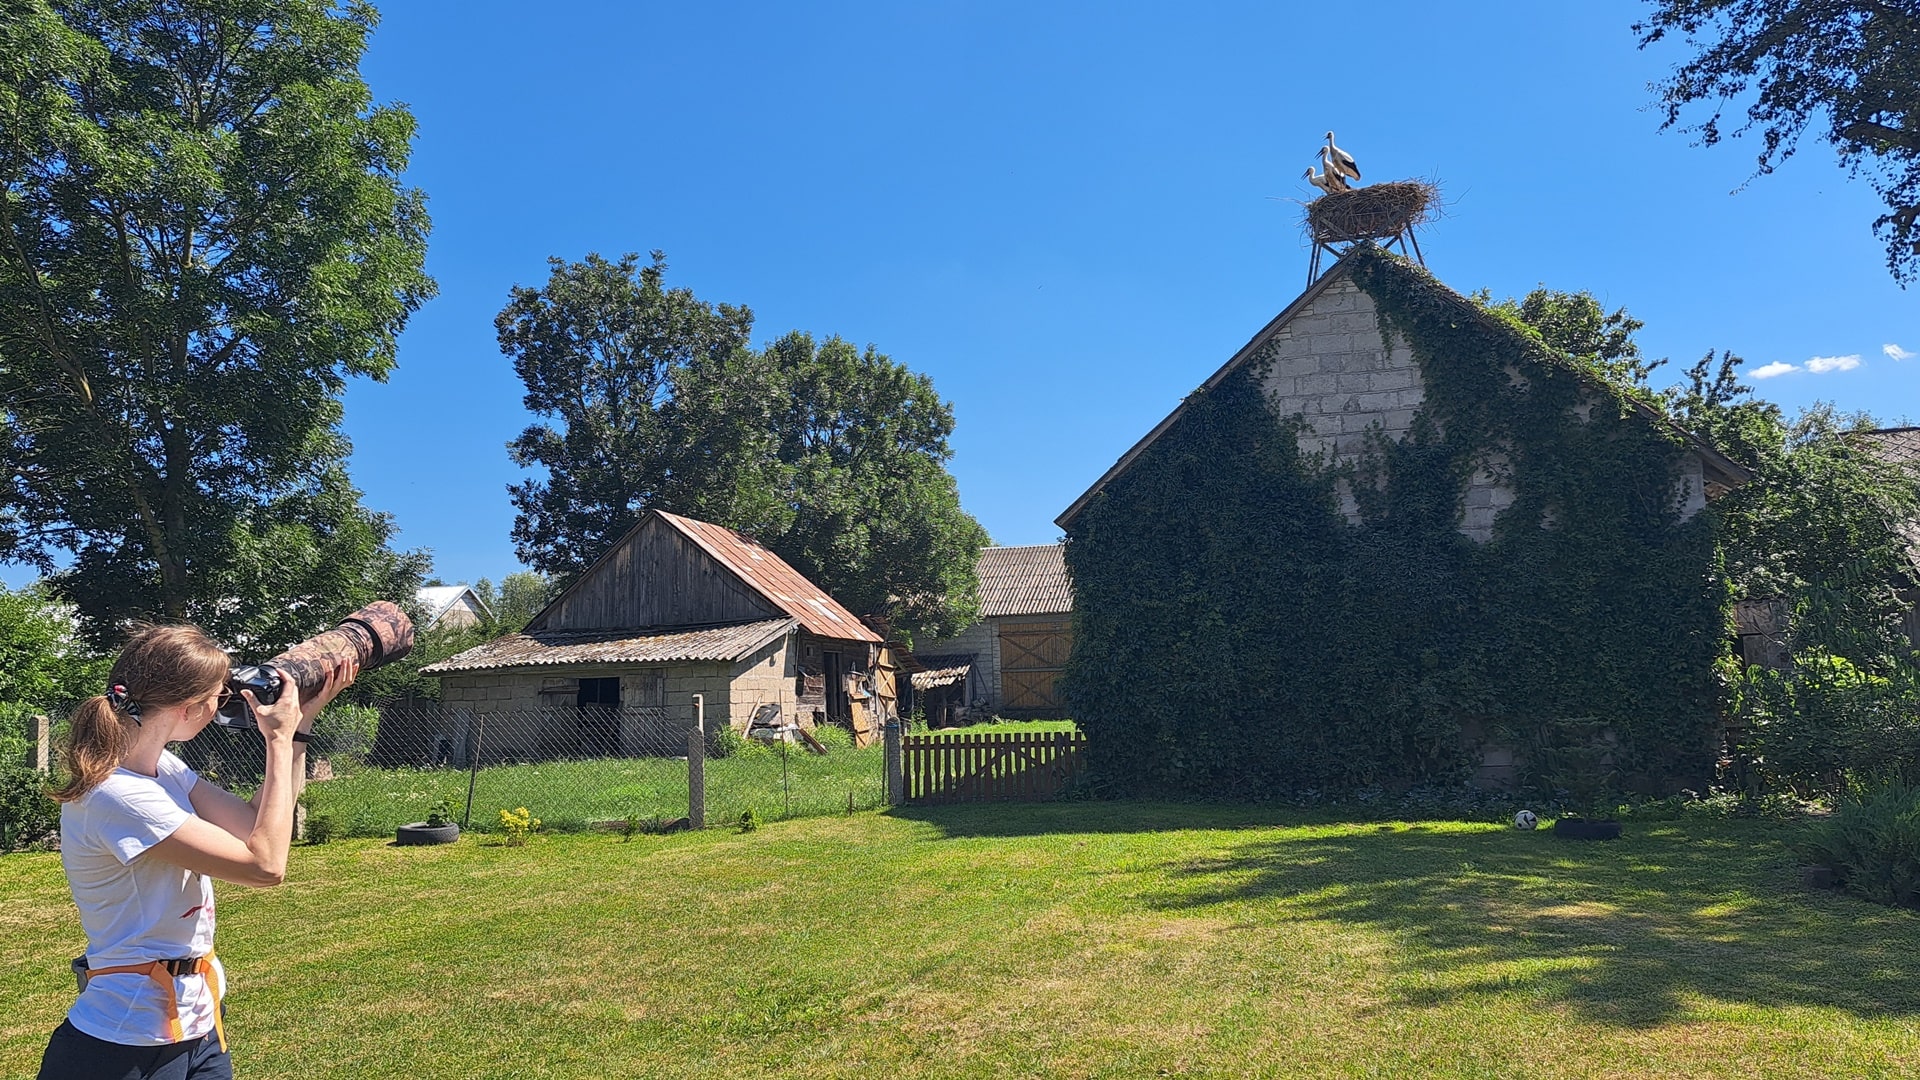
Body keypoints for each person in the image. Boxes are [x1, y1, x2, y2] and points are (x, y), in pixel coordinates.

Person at [36, 624, 355, 1080]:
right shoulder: (118, 796)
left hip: (196, 1024)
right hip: (124, 1040)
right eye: (219, 697)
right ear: (189, 709)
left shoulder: (163, 768)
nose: (222, 706)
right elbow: (265, 864)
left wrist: (298, 729)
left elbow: (253, 823)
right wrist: (278, 741)